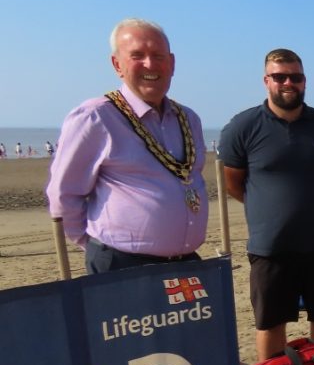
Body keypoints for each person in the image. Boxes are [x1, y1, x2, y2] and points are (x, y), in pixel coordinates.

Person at [45, 18, 208, 274]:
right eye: (137, 56)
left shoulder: (189, 119)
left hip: (185, 264)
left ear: (172, 63)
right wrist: (98, 248)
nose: (150, 64)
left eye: (158, 55)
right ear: (117, 64)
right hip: (122, 266)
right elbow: (64, 195)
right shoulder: (96, 118)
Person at [219, 48, 314, 362]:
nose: (288, 82)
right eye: (280, 77)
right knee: (271, 323)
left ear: (305, 81)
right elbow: (234, 183)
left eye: (296, 77)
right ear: (267, 81)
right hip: (270, 248)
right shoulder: (243, 126)